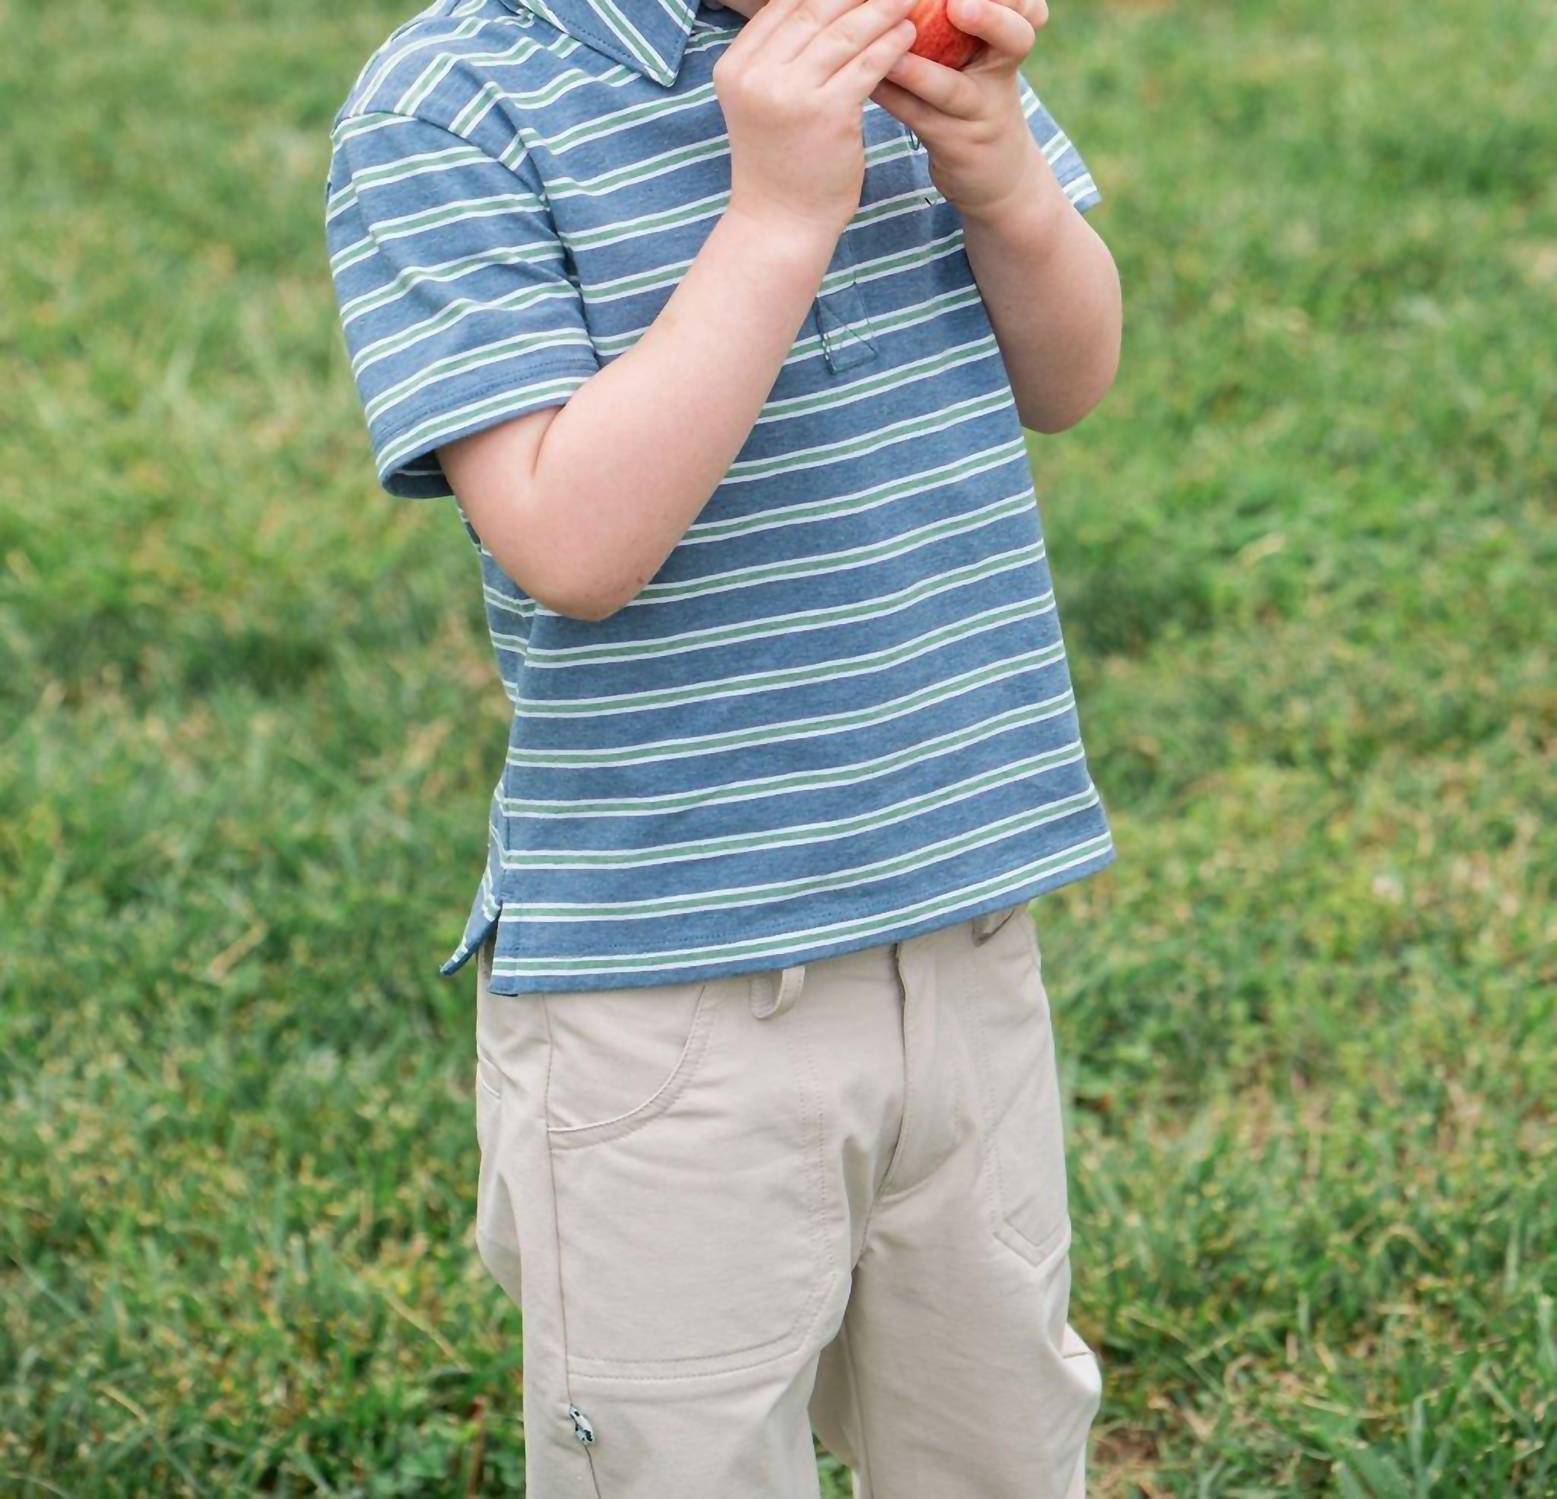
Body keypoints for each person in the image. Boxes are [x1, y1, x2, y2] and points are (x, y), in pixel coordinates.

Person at [324, 0, 1121, 1489]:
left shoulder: (887, 45)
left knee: (998, 1435)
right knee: (682, 1454)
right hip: (673, 991)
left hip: (959, 925)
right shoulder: (456, 104)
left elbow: (1066, 381)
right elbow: (571, 543)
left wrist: (1004, 176)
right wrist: (773, 219)